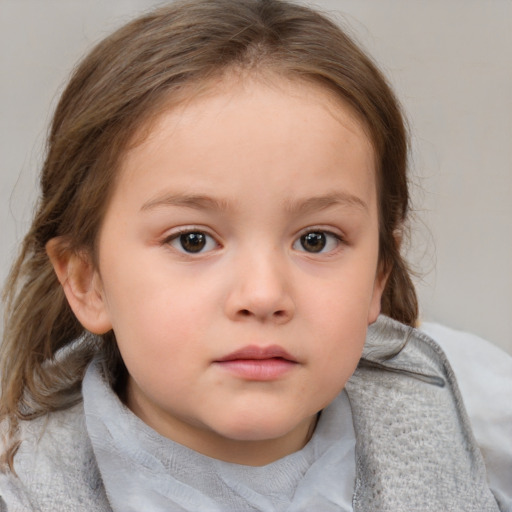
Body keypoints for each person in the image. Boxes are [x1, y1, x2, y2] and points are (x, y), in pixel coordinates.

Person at [0, 0, 510, 510]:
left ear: (379, 272)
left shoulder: (472, 413)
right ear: (87, 281)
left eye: (316, 240)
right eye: (192, 240)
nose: (263, 295)